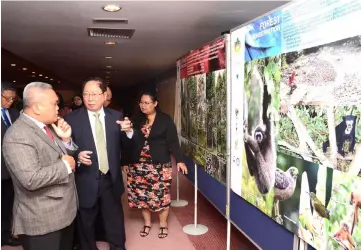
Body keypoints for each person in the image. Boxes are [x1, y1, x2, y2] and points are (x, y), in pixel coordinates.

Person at [2, 82, 78, 250]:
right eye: (54, 103)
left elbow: (63, 156)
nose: (58, 108)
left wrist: (66, 140)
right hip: (42, 221)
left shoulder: (48, 125)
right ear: (36, 108)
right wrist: (64, 166)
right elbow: (30, 179)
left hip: (64, 213)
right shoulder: (18, 135)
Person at [64, 77, 133, 250]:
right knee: (86, 224)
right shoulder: (72, 119)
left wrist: (130, 132)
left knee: (114, 221)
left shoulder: (116, 117)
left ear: (104, 96)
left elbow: (129, 147)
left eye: (94, 94)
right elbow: (64, 149)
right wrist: (77, 156)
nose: (90, 98)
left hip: (110, 179)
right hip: (85, 178)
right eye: (86, 94)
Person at [124, 90, 188, 239]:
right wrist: (125, 161)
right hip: (138, 166)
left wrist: (179, 160)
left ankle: (163, 225)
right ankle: (147, 223)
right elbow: (128, 143)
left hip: (160, 165)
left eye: (147, 103)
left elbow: (173, 141)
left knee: (162, 196)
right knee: (142, 195)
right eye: (141, 102)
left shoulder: (165, 120)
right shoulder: (136, 120)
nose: (143, 106)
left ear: (155, 104)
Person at [1, 82, 21, 247]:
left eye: (13, 99)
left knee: (8, 204)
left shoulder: (14, 114)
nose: (9, 101)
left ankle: (5, 234)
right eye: (6, 98)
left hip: (11, 168)